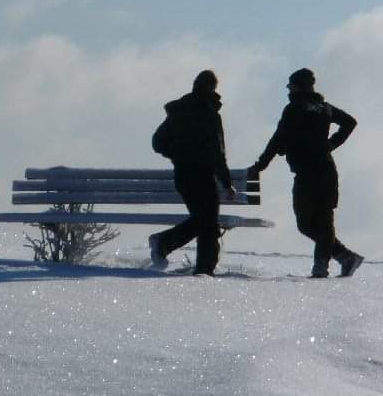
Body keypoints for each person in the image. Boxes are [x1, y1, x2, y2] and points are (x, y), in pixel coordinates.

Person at [248, 68, 364, 278]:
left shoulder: (294, 109)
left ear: (297, 87)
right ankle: (345, 257)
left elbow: (277, 140)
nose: (288, 89)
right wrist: (330, 145)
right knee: (315, 223)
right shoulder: (323, 108)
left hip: (308, 173)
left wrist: (259, 166)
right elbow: (350, 122)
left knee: (313, 223)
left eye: (290, 85)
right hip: (325, 171)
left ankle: (321, 267)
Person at [148, 70, 237, 276]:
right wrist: (226, 182)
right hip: (203, 176)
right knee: (207, 223)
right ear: (213, 88)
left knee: (204, 221)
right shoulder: (210, 114)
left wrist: (177, 156)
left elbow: (158, 142)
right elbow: (218, 153)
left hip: (183, 175)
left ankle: (170, 248)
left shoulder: (180, 111)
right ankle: (200, 268)